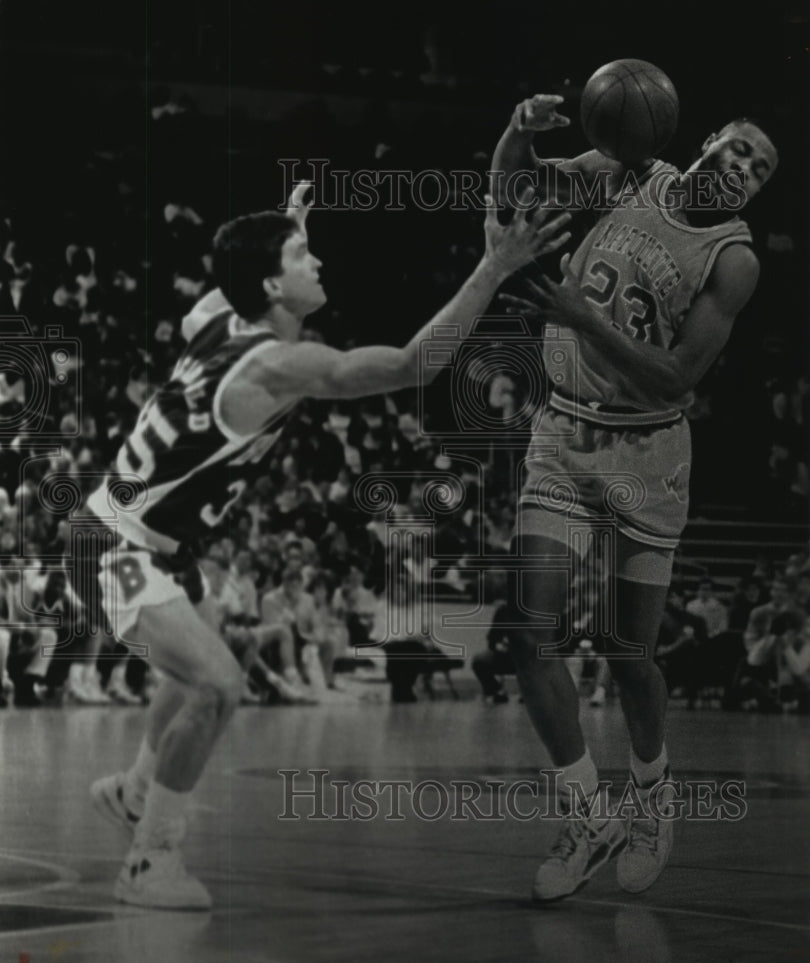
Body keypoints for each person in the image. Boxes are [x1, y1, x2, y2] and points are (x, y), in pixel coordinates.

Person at [81, 182, 571, 909]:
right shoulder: (279, 366)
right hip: (115, 547)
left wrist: (284, 227)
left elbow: (227, 286)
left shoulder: (217, 318)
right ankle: (150, 861)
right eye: (302, 254)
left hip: (146, 540)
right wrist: (494, 267)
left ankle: (132, 792)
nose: (319, 261)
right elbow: (412, 366)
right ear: (273, 283)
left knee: (193, 674)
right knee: (217, 684)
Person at [492, 94, 778, 900]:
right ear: (711, 138)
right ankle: (588, 813)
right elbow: (520, 187)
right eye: (739, 149)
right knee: (526, 634)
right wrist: (517, 129)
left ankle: (652, 793)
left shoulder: (733, 259)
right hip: (562, 433)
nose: (744, 169)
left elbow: (679, 376)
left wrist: (581, 317)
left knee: (629, 655)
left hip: (647, 452)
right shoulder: (627, 173)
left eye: (760, 170)